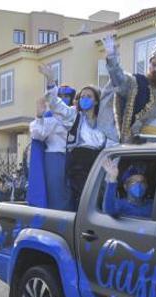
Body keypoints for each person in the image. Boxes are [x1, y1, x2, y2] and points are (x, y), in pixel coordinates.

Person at [39, 64, 118, 210]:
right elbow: (56, 105)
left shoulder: (104, 122)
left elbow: (112, 144)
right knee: (85, 202)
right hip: (78, 169)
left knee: (100, 202)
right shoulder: (75, 116)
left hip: (98, 166)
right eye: (82, 96)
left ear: (96, 101)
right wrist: (50, 80)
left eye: (89, 96)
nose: (84, 99)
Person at [28, 86, 76, 210]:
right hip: (55, 158)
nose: (64, 99)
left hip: (73, 159)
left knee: (72, 194)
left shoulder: (76, 115)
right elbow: (37, 134)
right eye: (61, 96)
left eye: (67, 96)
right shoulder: (49, 116)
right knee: (56, 195)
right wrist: (39, 116)